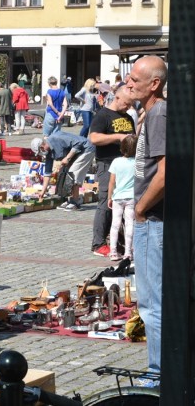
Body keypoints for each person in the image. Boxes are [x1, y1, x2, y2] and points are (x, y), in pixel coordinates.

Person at [128, 55, 167, 379]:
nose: (128, 84)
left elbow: (166, 173)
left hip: (153, 220)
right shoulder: (151, 114)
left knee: (152, 304)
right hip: (151, 219)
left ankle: (157, 374)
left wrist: (140, 210)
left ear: (154, 84)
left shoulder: (158, 115)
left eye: (134, 81)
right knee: (153, 302)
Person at [88, 87, 135, 257]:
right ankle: (98, 244)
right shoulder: (102, 115)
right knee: (106, 201)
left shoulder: (128, 117)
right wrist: (117, 137)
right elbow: (93, 138)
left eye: (131, 104)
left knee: (126, 204)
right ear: (117, 98)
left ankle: (119, 242)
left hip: (128, 164)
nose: (128, 107)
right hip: (107, 164)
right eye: (126, 103)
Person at [31, 132, 96, 211]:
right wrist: (43, 191)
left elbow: (79, 142)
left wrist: (68, 158)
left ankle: (75, 202)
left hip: (86, 149)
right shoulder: (48, 153)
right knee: (64, 174)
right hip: (76, 154)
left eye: (40, 151)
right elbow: (47, 173)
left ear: (42, 146)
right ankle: (70, 200)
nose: (41, 154)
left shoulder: (57, 138)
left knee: (73, 174)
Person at [107, 135, 137, 261]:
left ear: (121, 148)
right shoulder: (137, 163)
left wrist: (109, 197)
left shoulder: (116, 161)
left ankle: (113, 251)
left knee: (115, 224)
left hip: (118, 197)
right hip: (131, 197)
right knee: (130, 224)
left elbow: (111, 182)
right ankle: (128, 252)